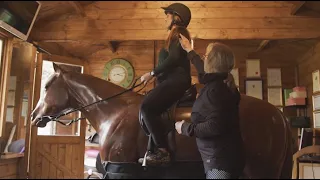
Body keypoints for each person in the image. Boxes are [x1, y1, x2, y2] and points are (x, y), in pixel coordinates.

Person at [175, 34, 246, 179]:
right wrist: (190, 50)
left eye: (206, 56)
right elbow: (204, 73)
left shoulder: (216, 90)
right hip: (223, 158)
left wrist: (185, 128)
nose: (204, 58)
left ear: (213, 62)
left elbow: (215, 126)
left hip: (219, 162)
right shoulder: (220, 83)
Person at [139, 3, 192, 165]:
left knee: (146, 108)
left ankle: (162, 151)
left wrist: (152, 73)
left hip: (176, 81)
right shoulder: (174, 34)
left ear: (177, 17)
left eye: (168, 15)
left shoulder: (180, 33)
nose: (165, 19)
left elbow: (174, 58)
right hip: (171, 81)